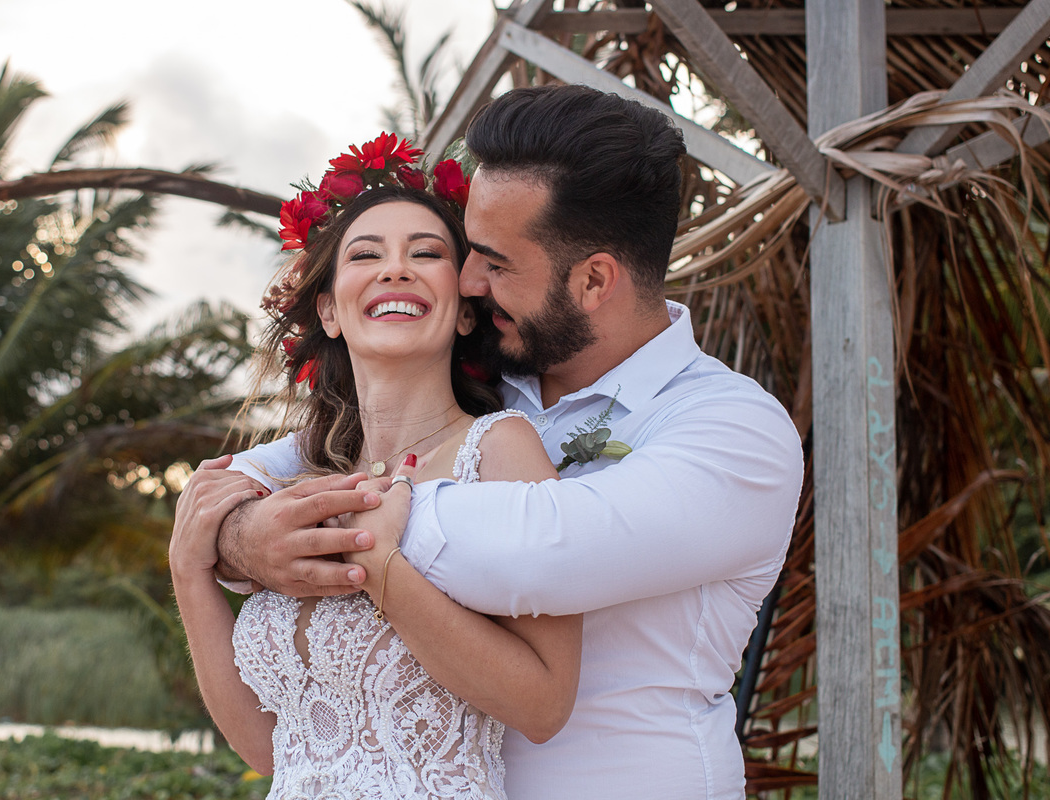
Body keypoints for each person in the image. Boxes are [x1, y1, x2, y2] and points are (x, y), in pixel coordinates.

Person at [205, 86, 804, 799]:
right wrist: (238, 533)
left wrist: (334, 522)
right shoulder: (482, 379)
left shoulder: (732, 431)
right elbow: (251, 477)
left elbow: (548, 545)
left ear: (594, 280)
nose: (467, 280)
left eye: (494, 262)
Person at [169, 135, 581, 800]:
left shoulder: (500, 450)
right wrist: (189, 571)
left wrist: (382, 568)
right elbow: (270, 750)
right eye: (366, 255)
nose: (396, 270)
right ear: (330, 311)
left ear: (465, 309)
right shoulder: (299, 478)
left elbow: (544, 706)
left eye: (426, 254)